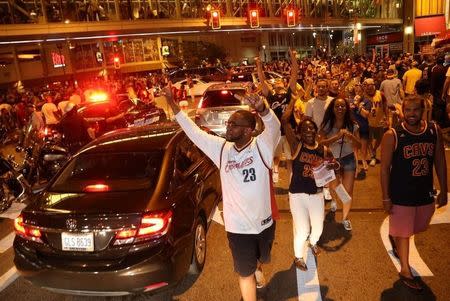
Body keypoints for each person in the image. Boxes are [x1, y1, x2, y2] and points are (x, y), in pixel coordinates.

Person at [163, 85, 280, 301]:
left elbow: (274, 127)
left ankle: (256, 266)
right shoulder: (221, 149)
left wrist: (263, 109)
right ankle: (251, 276)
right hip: (237, 228)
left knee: (259, 258)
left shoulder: (262, 147)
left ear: (248, 130)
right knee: (244, 274)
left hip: (264, 223)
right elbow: (194, 133)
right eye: (228, 123)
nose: (228, 127)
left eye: (234, 125)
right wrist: (171, 103)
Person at [380, 96, 447, 292]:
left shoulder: (433, 131)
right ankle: (405, 269)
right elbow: (384, 169)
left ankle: (397, 237)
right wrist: (386, 197)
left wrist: (444, 189)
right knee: (404, 233)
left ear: (423, 110)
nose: (411, 114)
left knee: (418, 226)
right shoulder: (392, 134)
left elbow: (440, 161)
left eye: (415, 110)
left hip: (424, 190)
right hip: (400, 192)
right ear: (402, 111)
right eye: (407, 110)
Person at [320, 98, 361, 231]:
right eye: (337, 106)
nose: (340, 108)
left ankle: (345, 217)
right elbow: (320, 143)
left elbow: (359, 144)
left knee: (348, 191)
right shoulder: (327, 124)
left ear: (346, 108)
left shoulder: (352, 124)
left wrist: (351, 136)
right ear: (333, 108)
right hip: (332, 160)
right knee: (335, 187)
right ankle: (333, 199)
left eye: (343, 106)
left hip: (348, 159)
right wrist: (336, 137)